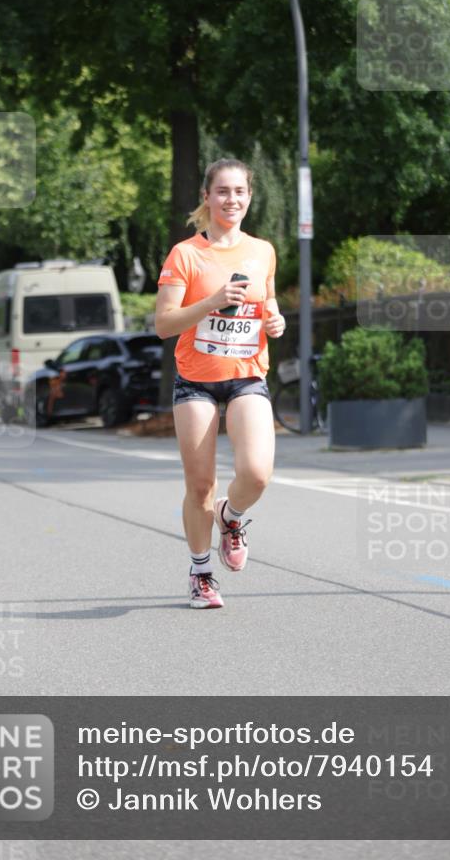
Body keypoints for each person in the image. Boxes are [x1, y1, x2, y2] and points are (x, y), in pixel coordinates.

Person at [155, 158, 286, 609]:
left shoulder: (262, 250)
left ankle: (232, 518)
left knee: (257, 474)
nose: (232, 200)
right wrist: (210, 301)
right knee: (199, 486)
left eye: (240, 192)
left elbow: (267, 301)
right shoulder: (185, 254)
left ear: (249, 198)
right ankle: (201, 572)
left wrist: (275, 319)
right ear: (207, 198)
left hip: (247, 374)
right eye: (223, 192)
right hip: (195, 381)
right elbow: (163, 324)